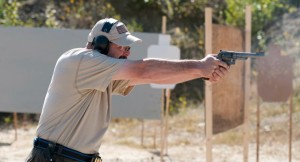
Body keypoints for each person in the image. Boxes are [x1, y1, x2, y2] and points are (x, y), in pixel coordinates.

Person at [26, 18, 229, 162]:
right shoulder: (81, 60)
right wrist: (199, 66)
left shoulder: (101, 72)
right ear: (100, 44)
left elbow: (152, 77)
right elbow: (144, 71)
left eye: (128, 47)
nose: (127, 51)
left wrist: (201, 72)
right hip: (54, 158)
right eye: (122, 46)